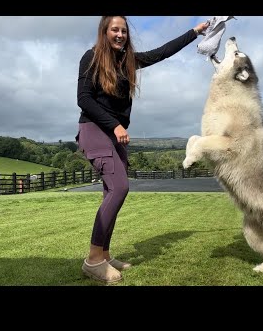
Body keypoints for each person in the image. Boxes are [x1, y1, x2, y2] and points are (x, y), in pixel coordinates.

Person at [76, 16, 209, 283]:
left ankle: (104, 254)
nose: (120, 34)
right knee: (120, 187)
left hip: (115, 135)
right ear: (105, 31)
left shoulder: (128, 61)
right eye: (115, 29)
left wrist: (194, 32)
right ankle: (92, 260)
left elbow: (162, 52)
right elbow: (84, 99)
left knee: (111, 194)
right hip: (94, 129)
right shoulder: (90, 57)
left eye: (123, 30)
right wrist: (114, 125)